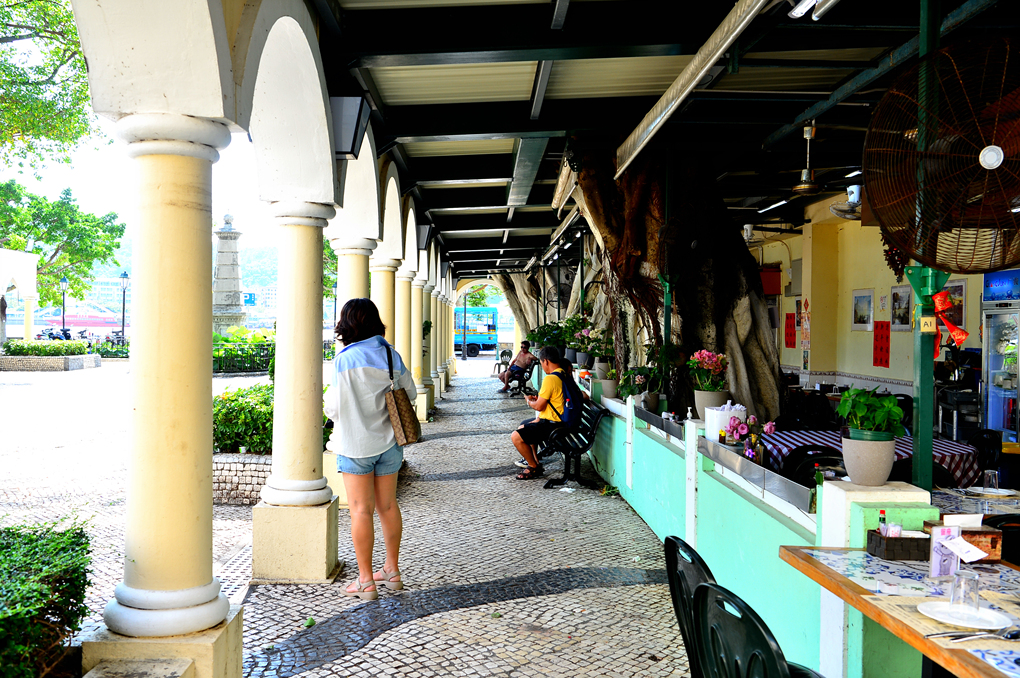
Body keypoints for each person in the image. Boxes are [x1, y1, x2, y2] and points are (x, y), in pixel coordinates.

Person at [325, 298, 416, 600]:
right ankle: (392, 571)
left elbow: (333, 408)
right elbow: (410, 393)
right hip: (390, 444)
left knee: (361, 510)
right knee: (387, 506)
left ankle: (365, 582)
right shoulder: (391, 355)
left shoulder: (344, 359)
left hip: (355, 445)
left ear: (347, 324)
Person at [509, 346, 573, 480]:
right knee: (524, 426)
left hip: (554, 425)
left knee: (516, 436)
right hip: (562, 421)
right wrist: (538, 400)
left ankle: (533, 466)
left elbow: (538, 407)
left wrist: (529, 401)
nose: (543, 366)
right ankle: (536, 462)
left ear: (546, 361)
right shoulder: (564, 374)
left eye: (542, 363)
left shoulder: (550, 379)